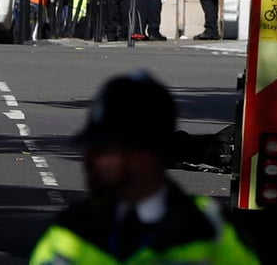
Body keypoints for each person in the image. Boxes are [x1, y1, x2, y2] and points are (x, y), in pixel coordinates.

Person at [30, 71, 260, 265]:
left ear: (145, 156)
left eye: (105, 150)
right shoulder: (68, 232)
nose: (89, 160)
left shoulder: (208, 230)